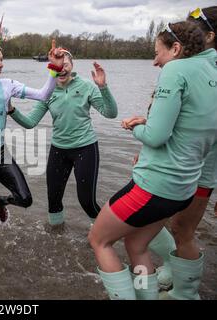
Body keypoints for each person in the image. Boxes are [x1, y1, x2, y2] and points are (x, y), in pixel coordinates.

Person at [88, 21, 216, 300]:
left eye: (157, 53)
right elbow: (192, 124)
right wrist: (149, 121)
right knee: (136, 243)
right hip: (184, 188)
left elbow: (156, 137)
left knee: (100, 240)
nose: (155, 61)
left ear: (176, 49)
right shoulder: (211, 70)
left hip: (155, 186)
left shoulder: (176, 69)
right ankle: (148, 296)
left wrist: (134, 127)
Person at [146, 6, 217, 300]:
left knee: (181, 228)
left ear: (210, 35)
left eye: (194, 31)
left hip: (202, 168)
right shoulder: (189, 67)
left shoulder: (199, 70)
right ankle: (175, 272)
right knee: (170, 225)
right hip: (176, 164)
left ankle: (186, 293)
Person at [0, 41, 64, 233]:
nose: (0, 65)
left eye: (1, 60)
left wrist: (55, 67)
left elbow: (43, 95)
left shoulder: (7, 86)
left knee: (25, 199)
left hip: (1, 156)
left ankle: (1, 201)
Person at [8, 50, 117, 226]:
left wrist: (103, 87)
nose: (62, 69)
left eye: (65, 64)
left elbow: (110, 113)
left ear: (71, 66)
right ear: (52, 68)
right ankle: (56, 237)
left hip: (85, 148)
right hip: (59, 150)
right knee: (53, 200)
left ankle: (103, 237)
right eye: (58, 66)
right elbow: (30, 122)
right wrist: (11, 110)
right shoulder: (47, 93)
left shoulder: (87, 86)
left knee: (86, 201)